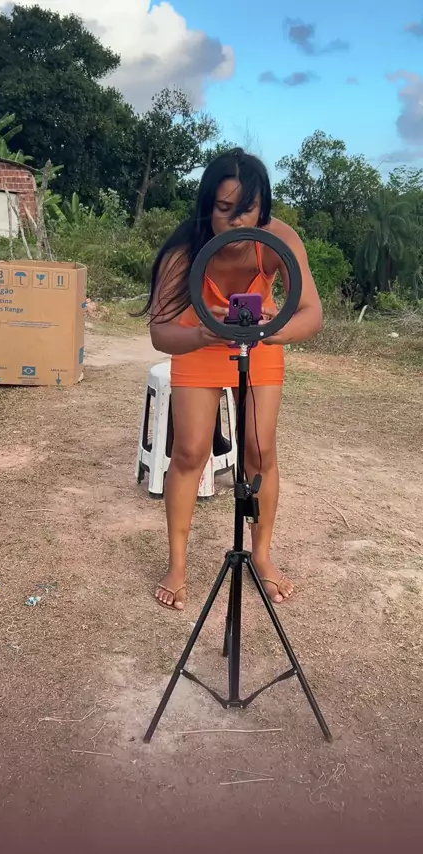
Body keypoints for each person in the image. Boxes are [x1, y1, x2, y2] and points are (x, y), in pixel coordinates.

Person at [141, 148, 322, 611]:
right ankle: (177, 564)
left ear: (263, 208)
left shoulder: (278, 239)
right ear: (208, 205)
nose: (237, 220)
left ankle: (261, 555)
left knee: (260, 450)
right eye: (225, 209)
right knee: (190, 451)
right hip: (198, 342)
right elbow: (161, 332)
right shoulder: (185, 249)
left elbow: (311, 314)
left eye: (248, 210)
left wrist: (268, 331)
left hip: (260, 341)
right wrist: (201, 333)